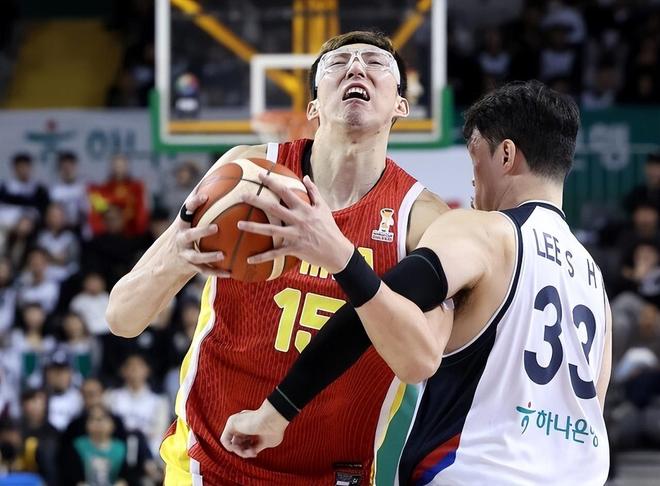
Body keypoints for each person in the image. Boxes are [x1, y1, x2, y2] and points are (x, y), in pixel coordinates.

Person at [221, 80, 612, 485]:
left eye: (475, 159)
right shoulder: (594, 282)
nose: (473, 182)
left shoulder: (485, 232)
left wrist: (277, 409)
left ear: (507, 155)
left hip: (476, 472)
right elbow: (591, 408)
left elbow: (371, 308)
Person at [106, 30, 448, 485]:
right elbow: (121, 317)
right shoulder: (246, 173)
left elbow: (421, 361)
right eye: (338, 63)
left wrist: (342, 258)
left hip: (333, 474)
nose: (356, 67)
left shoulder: (421, 218)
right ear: (313, 107)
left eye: (375, 62)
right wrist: (179, 257)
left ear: (401, 105)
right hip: (209, 464)